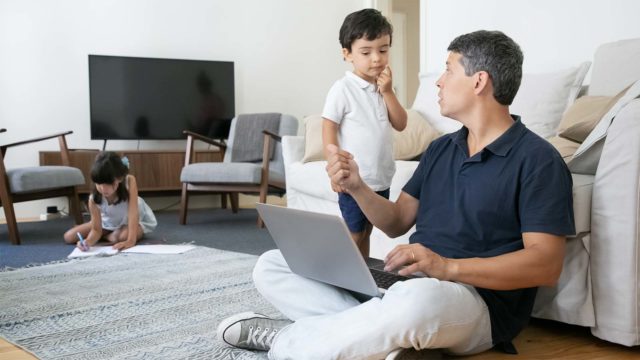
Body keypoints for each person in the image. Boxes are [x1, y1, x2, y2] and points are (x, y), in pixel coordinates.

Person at [217, 30, 575, 359]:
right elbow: (396, 221)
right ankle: (392, 341)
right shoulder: (441, 150)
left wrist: (446, 267)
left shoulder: (538, 160)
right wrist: (356, 186)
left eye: (448, 70)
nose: (438, 81)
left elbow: (545, 265)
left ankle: (288, 343)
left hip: (473, 301)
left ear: (479, 81)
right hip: (405, 285)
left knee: (419, 300)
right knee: (274, 264)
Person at [322, 8, 407, 257]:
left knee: (367, 231)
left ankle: (364, 276)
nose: (376, 59)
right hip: (353, 179)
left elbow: (401, 123)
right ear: (347, 54)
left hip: (381, 178)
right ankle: (342, 276)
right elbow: (328, 126)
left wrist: (389, 92)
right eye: (366, 52)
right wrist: (334, 167)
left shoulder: (384, 87)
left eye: (383, 50)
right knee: (355, 232)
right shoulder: (343, 89)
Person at [64, 151, 157, 251]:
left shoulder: (129, 181)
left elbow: (133, 213)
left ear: (120, 178)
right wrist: (88, 241)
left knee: (123, 237)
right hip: (107, 221)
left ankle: (112, 235)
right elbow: (96, 230)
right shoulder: (93, 199)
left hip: (132, 219)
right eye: (99, 184)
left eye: (109, 184)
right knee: (69, 237)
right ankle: (110, 235)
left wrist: (131, 241)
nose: (103, 189)